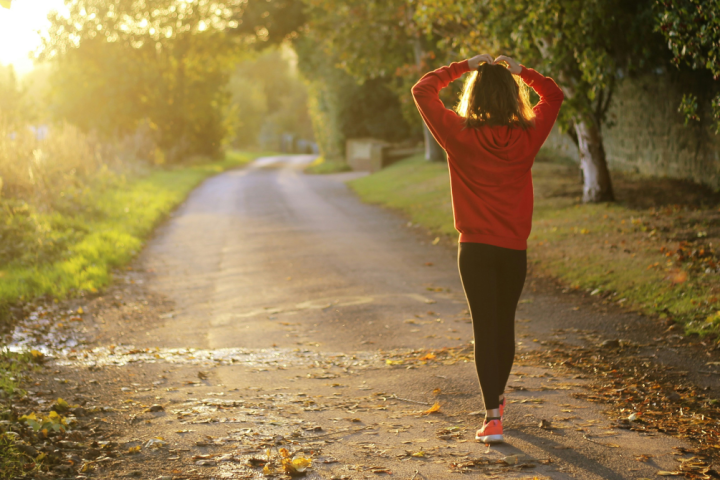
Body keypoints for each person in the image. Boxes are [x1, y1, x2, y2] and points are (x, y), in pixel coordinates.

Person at [411, 54, 564, 443]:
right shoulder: (528, 134)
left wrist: (463, 66)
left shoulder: (458, 133)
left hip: (475, 249)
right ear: (513, 97)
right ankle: (495, 400)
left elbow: (422, 89)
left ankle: (492, 417)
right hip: (513, 249)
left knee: (485, 328)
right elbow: (554, 94)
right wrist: (522, 71)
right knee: (504, 325)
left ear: (473, 95)